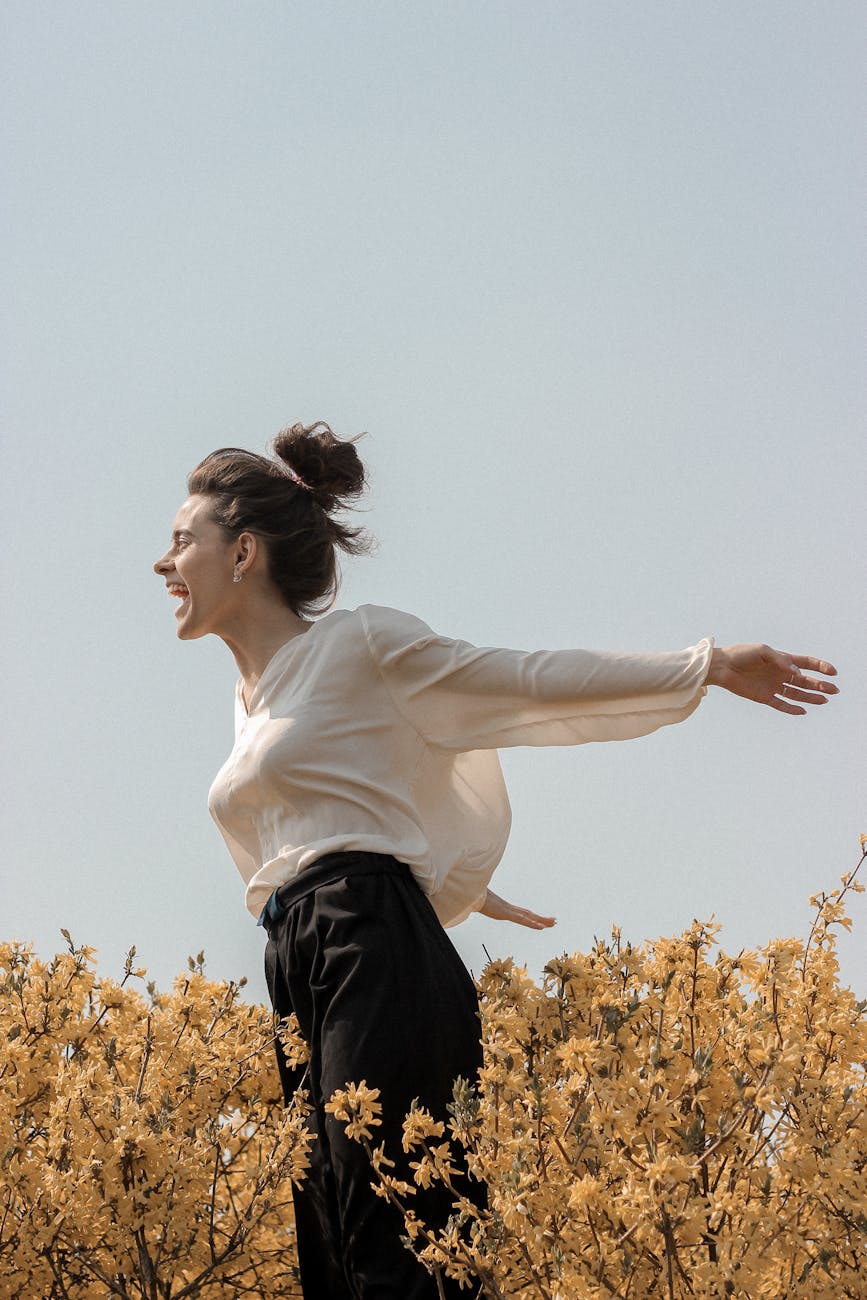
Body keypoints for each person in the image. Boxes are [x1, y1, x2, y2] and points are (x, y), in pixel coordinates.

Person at [153, 421, 838, 1300]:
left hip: (368, 945)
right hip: (302, 955)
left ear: (242, 552)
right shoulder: (251, 700)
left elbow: (521, 679)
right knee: (330, 1241)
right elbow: (335, 820)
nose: (164, 564)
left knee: (395, 1233)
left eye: (181, 541)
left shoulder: (358, 645)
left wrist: (702, 666)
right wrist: (452, 885)